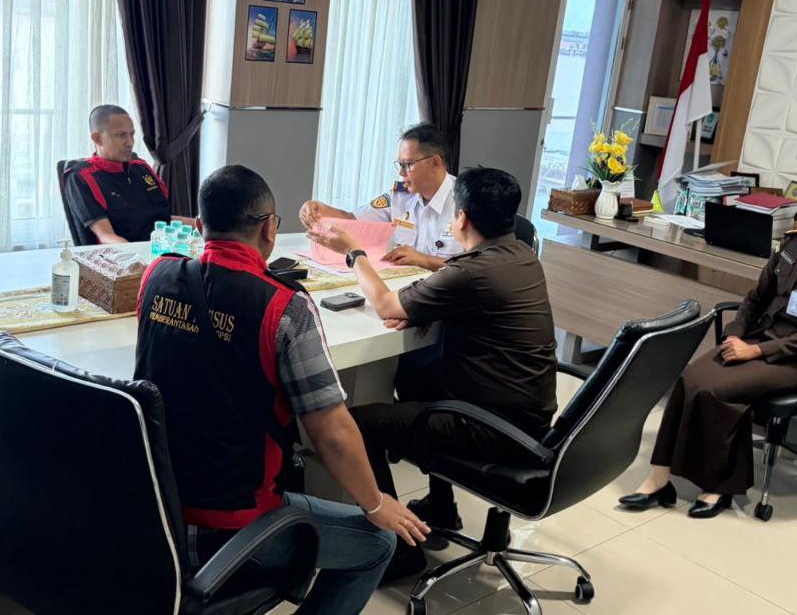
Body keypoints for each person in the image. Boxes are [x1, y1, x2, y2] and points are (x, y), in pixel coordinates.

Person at [134, 165, 429, 615]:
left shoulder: (156, 276)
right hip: (237, 523)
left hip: (154, 508)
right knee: (378, 543)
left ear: (198, 226)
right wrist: (375, 504)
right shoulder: (283, 306)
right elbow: (331, 433)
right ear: (270, 229)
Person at [307, 167, 558, 582]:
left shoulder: (472, 273)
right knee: (415, 378)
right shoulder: (521, 257)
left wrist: (354, 253)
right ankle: (441, 507)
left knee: (356, 425)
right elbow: (471, 299)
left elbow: (386, 305)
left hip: (489, 425)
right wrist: (427, 309)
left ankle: (396, 549)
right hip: (526, 415)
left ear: (461, 217)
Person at [619, 172, 797, 519]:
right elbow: (756, 297)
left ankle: (719, 486)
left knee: (719, 390)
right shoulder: (794, 242)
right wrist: (735, 334)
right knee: (690, 377)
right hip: (760, 339)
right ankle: (659, 479)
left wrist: (756, 351)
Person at [298, 124, 464, 271]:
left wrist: (424, 260)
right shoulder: (400, 195)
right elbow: (354, 220)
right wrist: (320, 209)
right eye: (400, 164)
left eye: (408, 164)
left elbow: (475, 266)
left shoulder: (465, 200)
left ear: (435, 162)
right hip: (405, 285)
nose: (401, 172)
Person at [63, 104, 180, 244]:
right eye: (121, 135)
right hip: (122, 253)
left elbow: (163, 220)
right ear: (97, 138)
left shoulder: (141, 168)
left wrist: (200, 224)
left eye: (132, 134)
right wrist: (140, 255)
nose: (130, 143)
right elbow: (106, 236)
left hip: (161, 247)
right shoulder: (81, 177)